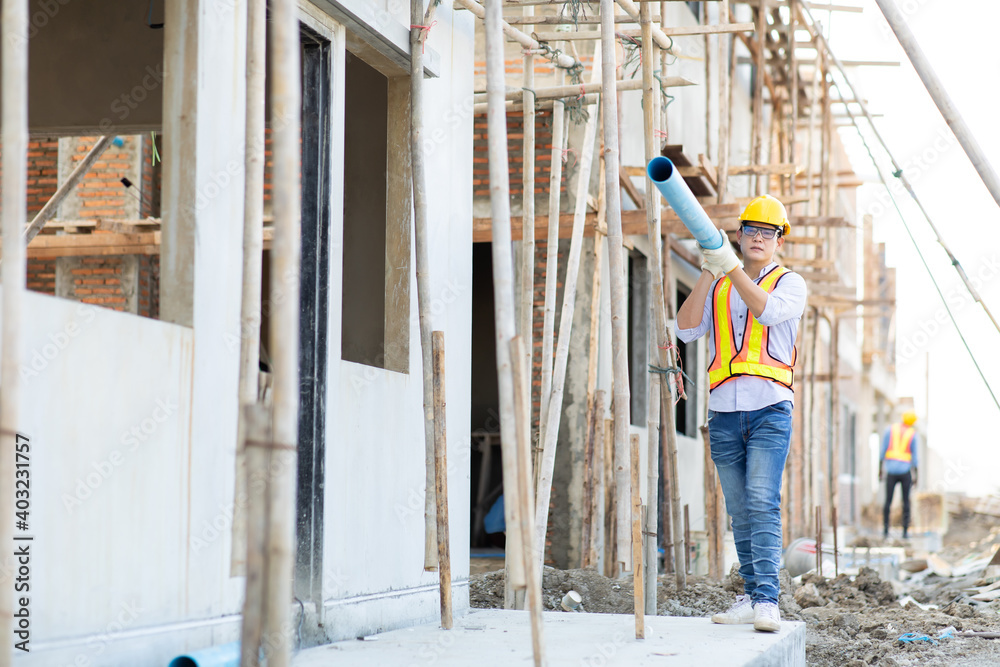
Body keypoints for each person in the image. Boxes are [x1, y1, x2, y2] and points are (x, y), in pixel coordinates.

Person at [675, 194, 806, 633]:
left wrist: (728, 267)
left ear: (779, 241)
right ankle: (751, 594)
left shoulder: (790, 284)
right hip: (724, 412)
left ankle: (768, 600)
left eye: (769, 233)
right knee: (740, 511)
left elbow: (766, 311)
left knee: (763, 502)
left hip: (770, 408)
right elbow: (686, 330)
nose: (759, 238)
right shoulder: (720, 282)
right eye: (752, 230)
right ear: (739, 234)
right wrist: (708, 272)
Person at [880, 411, 919, 539]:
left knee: (888, 501)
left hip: (891, 471)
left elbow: (882, 451)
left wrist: (879, 469)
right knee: (906, 502)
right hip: (905, 471)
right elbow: (915, 457)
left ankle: (886, 531)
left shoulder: (890, 430)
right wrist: (916, 475)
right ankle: (905, 532)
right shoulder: (912, 434)